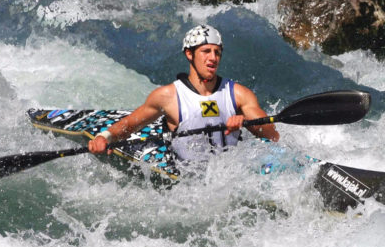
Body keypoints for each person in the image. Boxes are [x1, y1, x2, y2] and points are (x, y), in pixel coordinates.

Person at [88, 24, 279, 162]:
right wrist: (105, 137)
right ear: (189, 54)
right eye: (206, 51)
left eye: (217, 52)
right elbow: (129, 125)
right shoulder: (167, 96)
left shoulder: (238, 94)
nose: (213, 57)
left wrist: (244, 121)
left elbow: (273, 136)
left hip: (227, 178)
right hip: (187, 181)